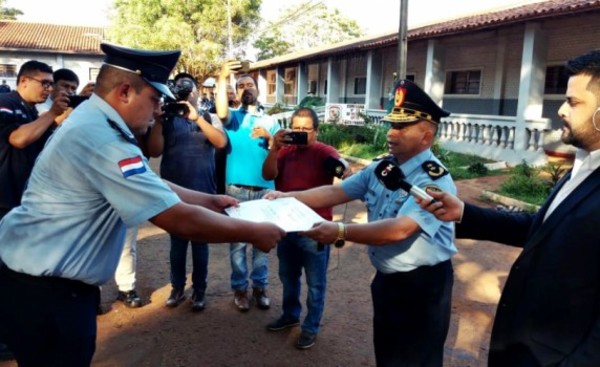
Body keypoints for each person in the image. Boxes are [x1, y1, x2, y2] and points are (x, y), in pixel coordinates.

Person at [0, 42, 284, 367]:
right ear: (124, 92)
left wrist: (210, 199)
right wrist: (253, 232)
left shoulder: (97, 124)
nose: (158, 109)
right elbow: (178, 220)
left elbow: (153, 183)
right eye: (154, 99)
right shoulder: (104, 139)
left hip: (43, 288)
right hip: (48, 294)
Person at [418, 50, 600, 366]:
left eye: (573, 102)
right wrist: (463, 212)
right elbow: (541, 230)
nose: (560, 110)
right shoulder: (584, 166)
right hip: (521, 347)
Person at [265, 79, 457, 366]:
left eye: (401, 128)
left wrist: (341, 231)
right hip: (386, 279)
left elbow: (400, 229)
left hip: (422, 286)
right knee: (388, 353)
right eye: (391, 125)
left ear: (426, 137)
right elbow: (336, 191)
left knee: (419, 357)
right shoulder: (383, 167)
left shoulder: (433, 179)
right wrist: (287, 197)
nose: (391, 133)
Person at [262, 107, 351, 349]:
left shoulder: (323, 151)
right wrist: (275, 148)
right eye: (296, 128)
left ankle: (310, 327)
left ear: (316, 131)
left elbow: (343, 169)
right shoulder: (285, 151)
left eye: (306, 129)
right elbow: (267, 174)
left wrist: (341, 166)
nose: (300, 134)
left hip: (315, 228)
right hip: (286, 225)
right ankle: (291, 315)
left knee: (315, 283)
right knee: (288, 276)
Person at [147, 72, 227, 311]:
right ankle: (177, 288)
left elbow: (220, 143)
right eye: (180, 87)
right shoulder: (168, 118)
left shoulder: (206, 116)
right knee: (178, 244)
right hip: (175, 192)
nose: (186, 91)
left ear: (196, 91)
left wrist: (197, 119)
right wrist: (159, 122)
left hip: (204, 189)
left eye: (189, 86)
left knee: (200, 244)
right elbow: (154, 151)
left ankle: (199, 291)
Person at [216, 60, 281, 312]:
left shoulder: (271, 120)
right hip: (236, 189)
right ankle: (240, 290)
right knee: (238, 245)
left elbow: (281, 150)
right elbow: (221, 110)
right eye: (240, 86)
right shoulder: (233, 119)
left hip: (265, 189)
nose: (245, 89)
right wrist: (223, 77)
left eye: (249, 84)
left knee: (262, 244)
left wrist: (269, 137)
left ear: (258, 90)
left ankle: (260, 287)